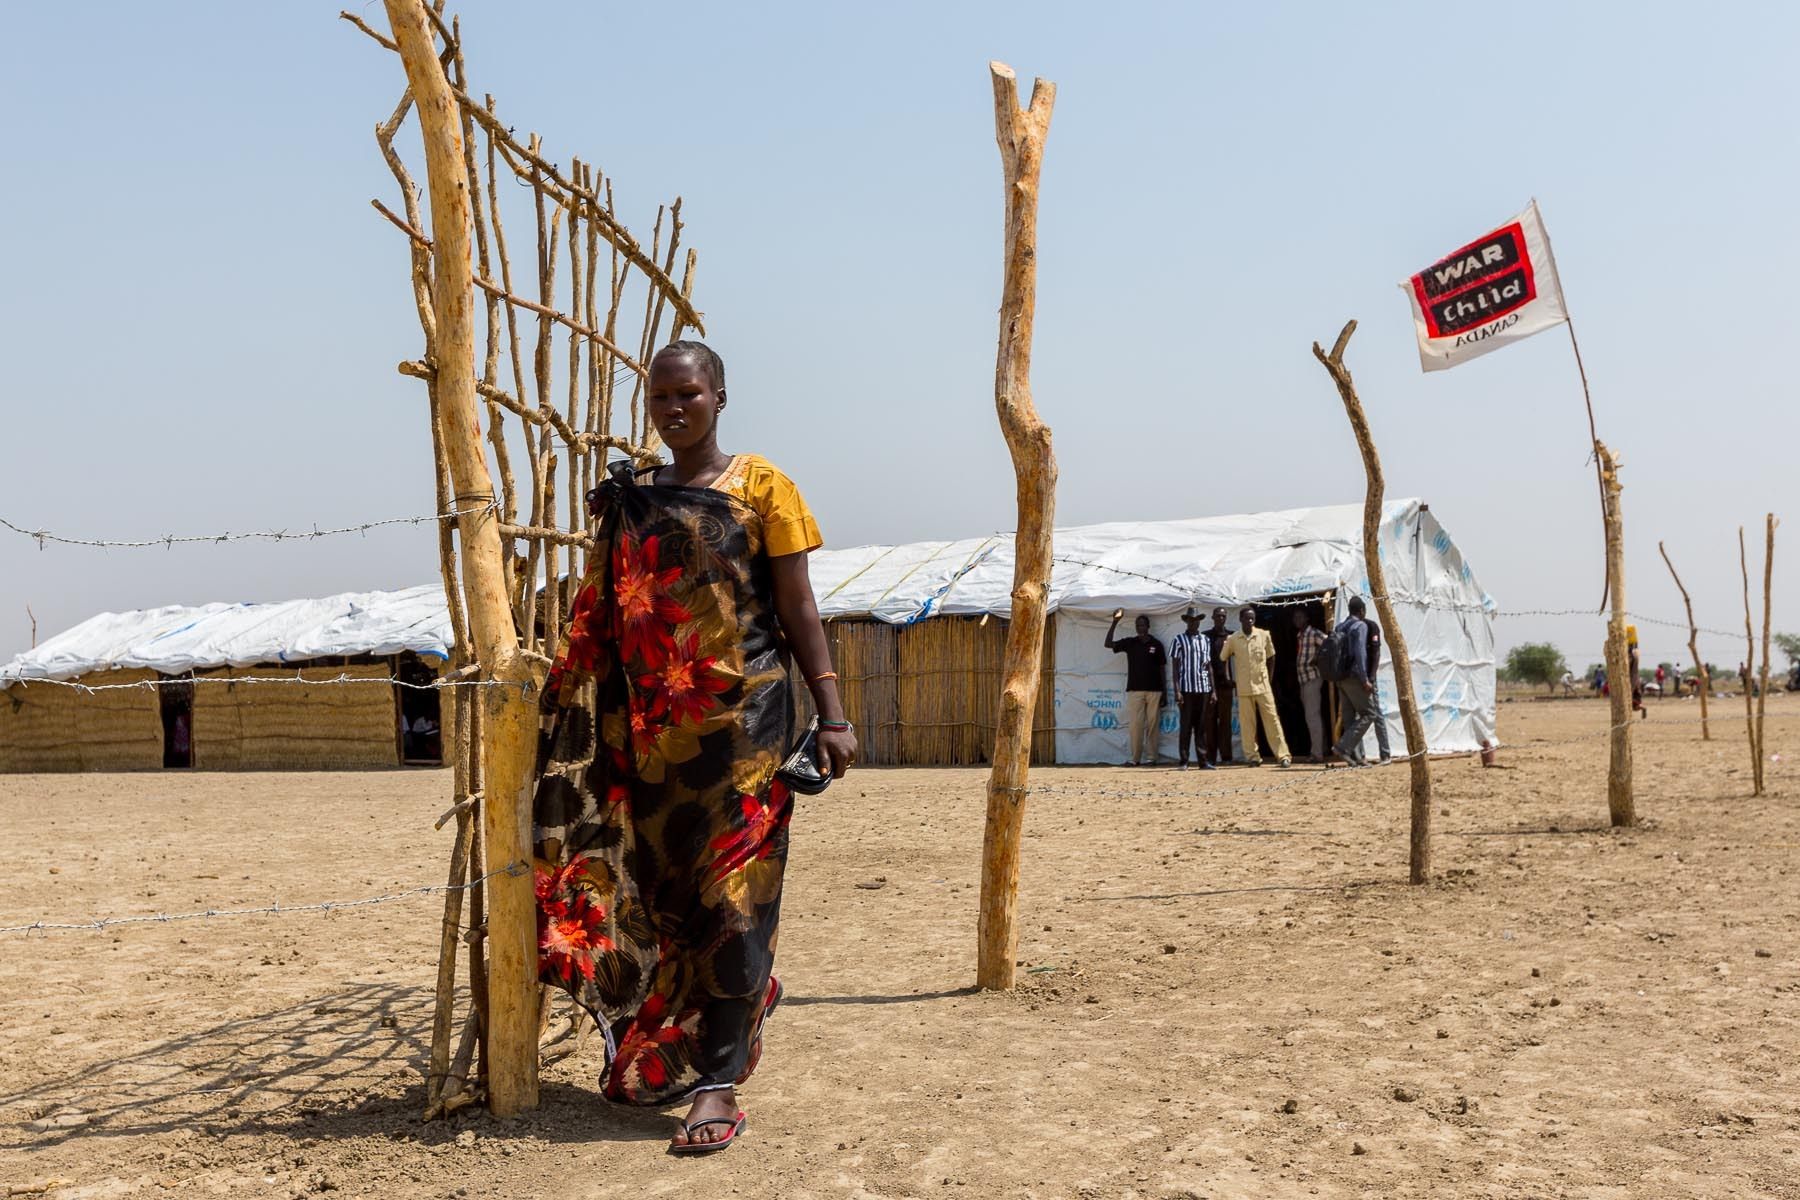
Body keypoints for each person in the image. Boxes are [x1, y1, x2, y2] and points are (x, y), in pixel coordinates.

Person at [531, 340, 856, 1154]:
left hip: (748, 735)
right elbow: (606, 614)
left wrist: (833, 712)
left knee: (736, 904)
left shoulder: (763, 488)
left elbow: (798, 607)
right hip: (654, 745)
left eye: (690, 394)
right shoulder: (633, 496)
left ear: (720, 396)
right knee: (673, 900)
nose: (675, 409)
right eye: (661, 398)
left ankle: (715, 1083)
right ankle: (728, 1014)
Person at [1221, 606, 1290, 768]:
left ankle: (1283, 756)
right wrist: (1228, 678)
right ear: (1240, 619)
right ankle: (1252, 757)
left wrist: (1269, 679)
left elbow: (1271, 658)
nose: (1249, 621)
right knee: (1247, 724)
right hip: (1244, 688)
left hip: (1263, 686)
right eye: (1246, 618)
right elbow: (1223, 658)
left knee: (1272, 720)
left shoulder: (1263, 635)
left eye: (1252, 618)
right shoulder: (1233, 639)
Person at [1105, 611, 1167, 765]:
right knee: (1135, 726)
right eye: (1138, 625)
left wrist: (1164, 692)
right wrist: (1114, 622)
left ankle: (1151, 758)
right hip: (1135, 690)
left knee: (1152, 726)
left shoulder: (1157, 645)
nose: (1140, 628)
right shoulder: (1130, 643)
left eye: (1143, 625)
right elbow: (1108, 644)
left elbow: (1162, 669)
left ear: (1148, 626)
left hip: (1155, 690)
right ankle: (1135, 759)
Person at [1331, 596, 1380, 767]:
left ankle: (1357, 758)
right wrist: (1365, 679)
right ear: (1362, 611)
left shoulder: (1339, 626)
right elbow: (1360, 653)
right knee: (1370, 713)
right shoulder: (1360, 626)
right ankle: (1342, 747)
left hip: (1340, 678)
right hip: (1353, 677)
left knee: (1349, 717)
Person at [1169, 608, 1216, 770]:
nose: (1194, 622)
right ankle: (1184, 761)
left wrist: (1213, 691)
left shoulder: (1205, 640)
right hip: (1186, 690)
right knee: (1186, 726)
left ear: (1199, 621)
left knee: (1201, 726)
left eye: (1196, 620)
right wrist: (1177, 690)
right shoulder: (1178, 640)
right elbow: (1175, 668)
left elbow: (1209, 667)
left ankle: (1203, 761)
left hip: (1203, 688)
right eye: (1191, 620)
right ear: (1186, 621)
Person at [1291, 608, 1327, 763]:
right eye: (1295, 618)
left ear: (1306, 618)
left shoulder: (1314, 633)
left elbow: (1330, 643)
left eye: (1300, 617)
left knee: (1312, 716)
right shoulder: (1300, 635)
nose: (1297, 620)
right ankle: (1321, 748)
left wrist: (1318, 657)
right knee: (1313, 716)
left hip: (1312, 677)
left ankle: (1317, 753)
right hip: (1303, 679)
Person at [1202, 607, 1235, 764]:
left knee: (1225, 722)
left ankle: (1226, 756)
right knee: (1209, 722)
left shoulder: (1232, 636)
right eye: (1218, 616)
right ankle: (1210, 757)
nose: (1220, 618)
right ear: (1212, 617)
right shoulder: (1205, 637)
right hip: (1209, 686)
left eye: (1223, 616)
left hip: (1226, 686)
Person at [1365, 611, 1392, 764]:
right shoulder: (1354, 627)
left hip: (1368, 678)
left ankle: (1385, 753)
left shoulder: (1371, 626)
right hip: (1359, 678)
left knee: (1376, 713)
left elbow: (1376, 652)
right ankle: (1359, 756)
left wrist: (1372, 676)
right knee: (1360, 716)